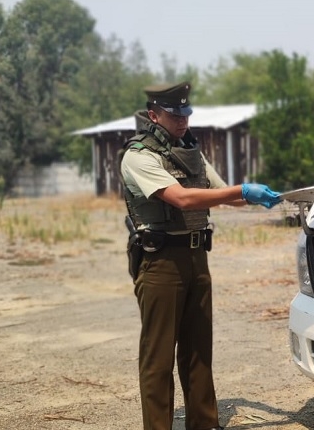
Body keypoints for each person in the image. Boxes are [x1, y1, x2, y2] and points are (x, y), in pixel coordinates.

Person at [119, 81, 281, 430]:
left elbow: (224, 194)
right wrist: (240, 191)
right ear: (153, 115)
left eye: (185, 114)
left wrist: (256, 195)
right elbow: (182, 199)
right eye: (174, 115)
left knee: (198, 352)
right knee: (158, 359)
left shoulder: (192, 152)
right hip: (161, 262)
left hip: (196, 258)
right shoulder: (139, 155)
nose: (182, 122)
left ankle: (204, 424)